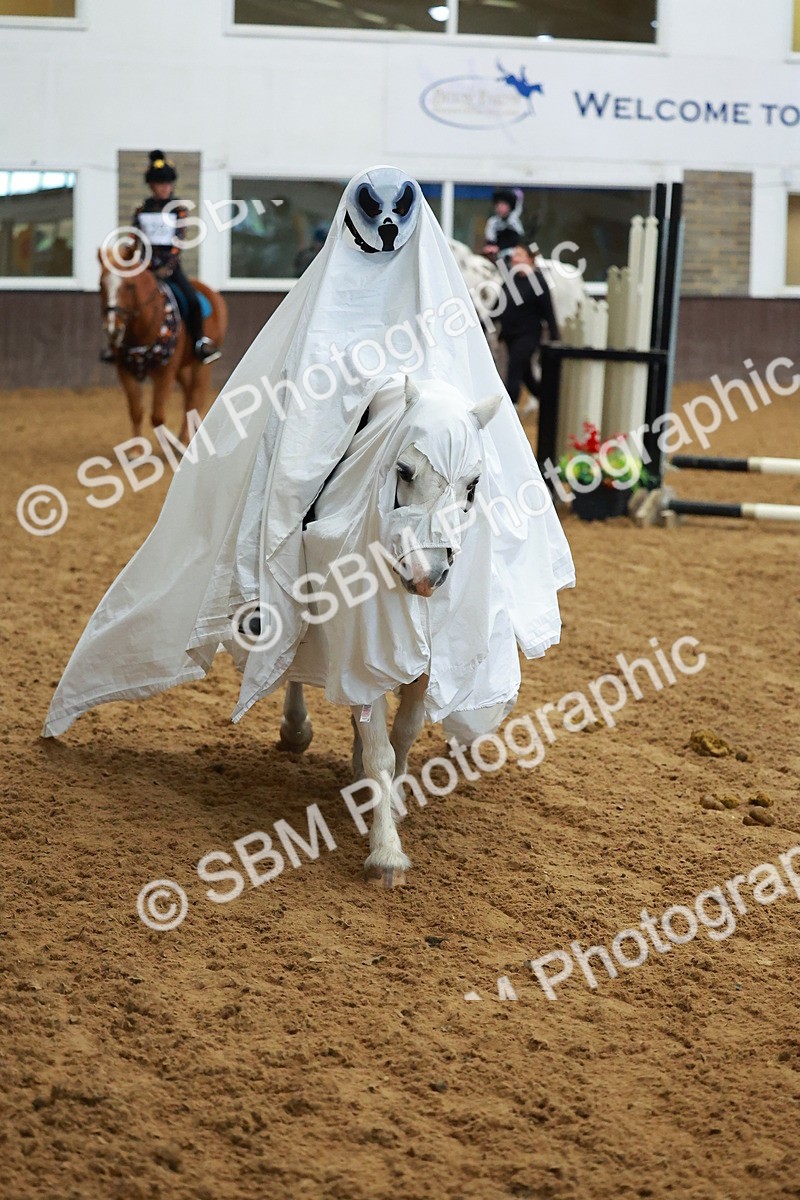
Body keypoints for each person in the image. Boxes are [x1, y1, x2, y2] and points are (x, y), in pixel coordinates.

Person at [131, 150, 220, 364]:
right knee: (123, 300)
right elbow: (136, 240)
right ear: (152, 186)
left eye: (168, 184)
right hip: (145, 268)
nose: (165, 188)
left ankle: (198, 342)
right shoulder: (142, 210)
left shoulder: (178, 210)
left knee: (192, 300)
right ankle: (120, 345)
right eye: (160, 184)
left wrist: (166, 267)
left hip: (169, 268)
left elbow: (178, 242)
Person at [497, 240, 559, 406]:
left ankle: (511, 413)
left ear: (530, 259)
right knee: (527, 378)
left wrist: (555, 337)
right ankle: (549, 400)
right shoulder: (511, 280)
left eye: (519, 255)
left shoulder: (538, 282)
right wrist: (481, 323)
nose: (514, 259)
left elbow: (548, 311)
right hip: (511, 336)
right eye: (514, 255)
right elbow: (498, 306)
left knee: (514, 372)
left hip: (528, 336)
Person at [483, 187, 525, 267]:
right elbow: (490, 240)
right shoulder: (493, 222)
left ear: (509, 207)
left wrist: (499, 247)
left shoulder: (514, 222)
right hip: (496, 257)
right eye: (498, 205)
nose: (500, 208)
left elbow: (517, 241)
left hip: (510, 256)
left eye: (503, 205)